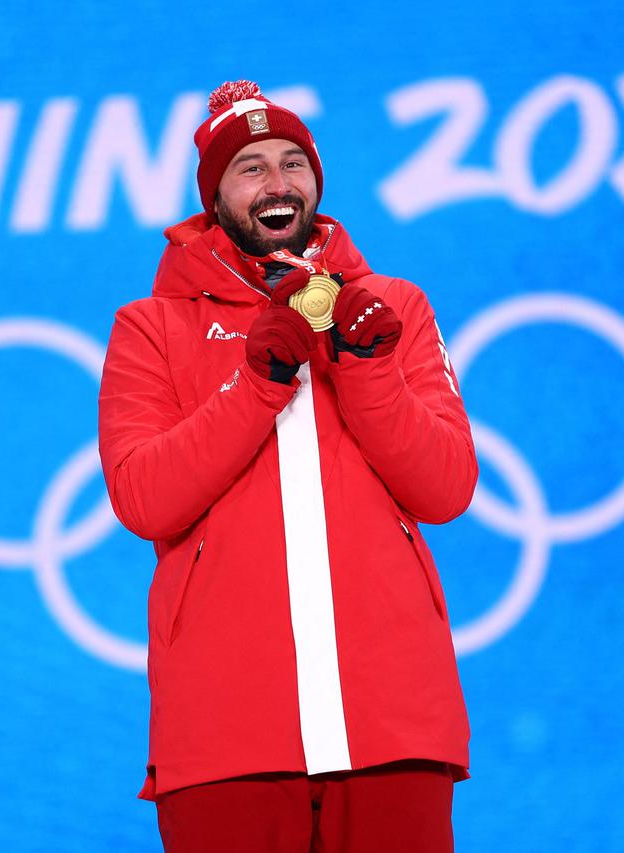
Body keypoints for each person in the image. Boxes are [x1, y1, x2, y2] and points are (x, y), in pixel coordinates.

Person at [98, 80, 478, 852]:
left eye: (293, 163)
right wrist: (259, 381)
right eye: (251, 168)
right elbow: (144, 498)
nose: (278, 184)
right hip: (225, 736)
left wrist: (369, 368)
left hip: (393, 724)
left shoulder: (392, 306)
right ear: (215, 197)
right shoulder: (151, 327)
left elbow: (445, 488)